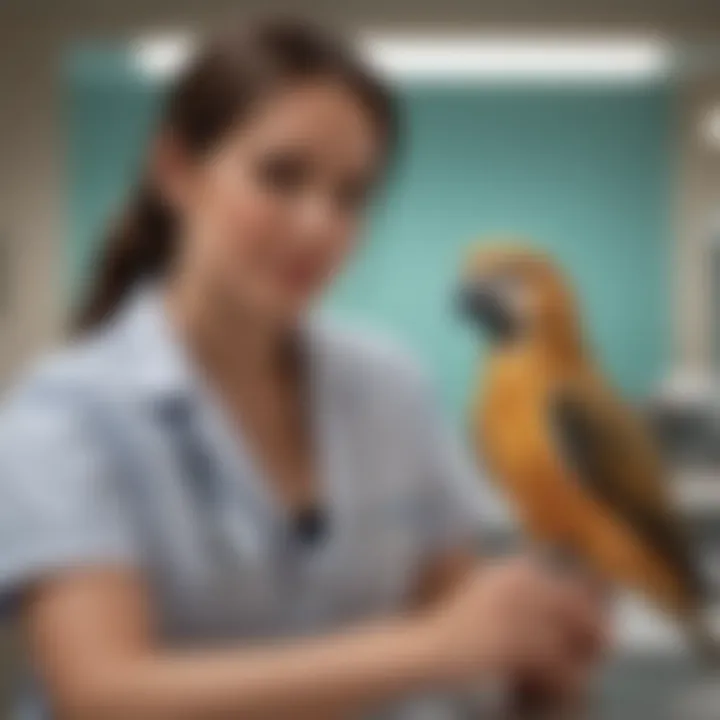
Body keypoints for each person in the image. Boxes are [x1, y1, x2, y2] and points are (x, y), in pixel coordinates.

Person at [0, 18, 606, 719]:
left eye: (351, 196)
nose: (320, 225)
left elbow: (463, 628)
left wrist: (536, 658)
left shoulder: (391, 387)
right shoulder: (66, 412)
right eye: (280, 176)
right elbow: (103, 694)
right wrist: (437, 647)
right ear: (177, 170)